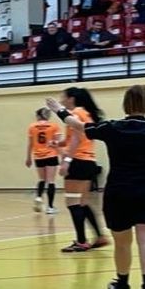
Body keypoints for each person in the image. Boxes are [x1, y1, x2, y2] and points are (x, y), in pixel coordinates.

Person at [47, 85, 145, 289]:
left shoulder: (112, 128)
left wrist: (59, 109)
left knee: (122, 243)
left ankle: (122, 283)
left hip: (119, 190)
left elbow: (78, 126)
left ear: (125, 104)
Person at [55, 87, 108, 252]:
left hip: (77, 161)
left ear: (71, 98)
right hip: (88, 161)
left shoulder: (76, 112)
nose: (62, 99)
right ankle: (100, 236)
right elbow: (77, 137)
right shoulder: (86, 113)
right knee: (83, 203)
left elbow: (77, 138)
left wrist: (67, 161)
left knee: (72, 203)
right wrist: (59, 144)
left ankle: (81, 241)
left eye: (64, 97)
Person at [25, 108, 62, 214]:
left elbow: (30, 144)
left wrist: (28, 158)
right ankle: (50, 207)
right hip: (51, 155)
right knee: (51, 181)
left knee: (42, 179)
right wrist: (62, 155)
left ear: (38, 115)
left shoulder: (32, 127)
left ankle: (39, 197)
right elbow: (58, 142)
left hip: (38, 156)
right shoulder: (54, 126)